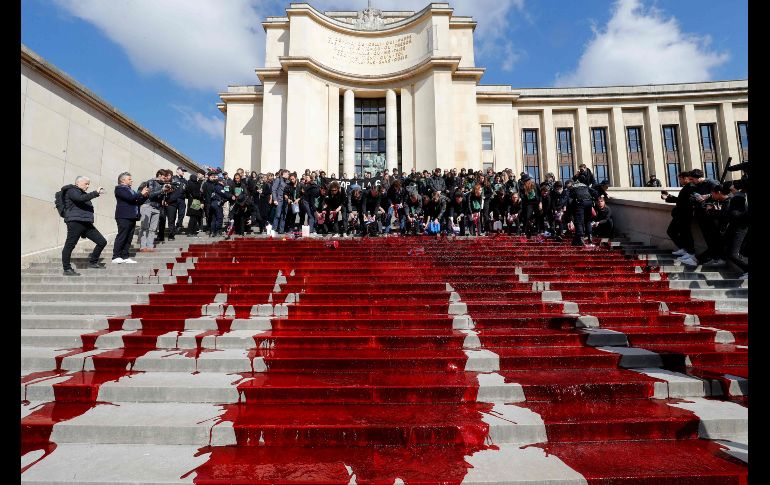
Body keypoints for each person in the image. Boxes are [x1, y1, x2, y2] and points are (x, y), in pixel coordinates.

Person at [61, 176, 107, 276]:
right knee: (70, 245)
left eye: (88, 184)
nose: (88, 186)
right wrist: (95, 192)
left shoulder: (82, 193)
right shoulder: (71, 190)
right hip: (75, 222)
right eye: (86, 183)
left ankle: (93, 262)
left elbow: (83, 201)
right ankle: (67, 269)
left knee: (102, 241)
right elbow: (80, 199)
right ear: (78, 182)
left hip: (86, 223)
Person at [112, 172, 148, 264]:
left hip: (132, 216)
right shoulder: (119, 189)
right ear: (123, 180)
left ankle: (125, 256)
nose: (131, 180)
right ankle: (116, 256)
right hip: (123, 216)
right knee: (122, 236)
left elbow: (137, 201)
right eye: (129, 179)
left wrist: (144, 196)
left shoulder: (130, 190)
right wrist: (140, 193)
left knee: (129, 237)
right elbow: (130, 198)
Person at [662, 171, 697, 264]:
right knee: (678, 232)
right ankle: (685, 250)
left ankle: (690, 253)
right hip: (681, 214)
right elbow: (680, 200)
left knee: (682, 233)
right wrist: (669, 197)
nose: (680, 181)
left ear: (685, 178)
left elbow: (683, 201)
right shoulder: (688, 187)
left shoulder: (690, 187)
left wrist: (668, 198)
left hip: (684, 215)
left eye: (680, 179)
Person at [138, 169, 173, 252]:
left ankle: (150, 246)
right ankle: (143, 246)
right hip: (148, 206)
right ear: (159, 175)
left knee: (153, 229)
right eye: (164, 178)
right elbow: (151, 195)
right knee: (145, 227)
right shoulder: (151, 182)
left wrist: (167, 192)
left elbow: (161, 197)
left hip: (157, 208)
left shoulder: (163, 184)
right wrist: (162, 190)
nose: (165, 180)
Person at [568, 174, 597, 246]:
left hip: (580, 202)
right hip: (589, 202)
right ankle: (590, 237)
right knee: (587, 220)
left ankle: (580, 238)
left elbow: (569, 200)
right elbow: (595, 192)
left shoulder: (573, 187)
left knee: (579, 221)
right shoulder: (584, 185)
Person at [185, 171, 205, 236]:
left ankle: (192, 232)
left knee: (194, 217)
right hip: (195, 201)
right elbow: (196, 193)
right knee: (194, 217)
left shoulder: (189, 183)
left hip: (193, 201)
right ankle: (191, 232)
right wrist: (200, 194)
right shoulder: (194, 184)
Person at [173, 167, 188, 232]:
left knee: (181, 213)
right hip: (173, 199)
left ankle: (178, 225)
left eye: (184, 171)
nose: (183, 172)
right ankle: (172, 226)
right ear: (177, 170)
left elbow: (187, 189)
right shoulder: (173, 178)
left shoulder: (185, 180)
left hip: (182, 199)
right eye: (182, 170)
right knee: (172, 214)